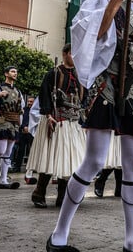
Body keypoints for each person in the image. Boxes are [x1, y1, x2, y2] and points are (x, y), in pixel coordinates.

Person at [46, 0, 133, 252]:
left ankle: (132, 241)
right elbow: (92, 35)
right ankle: (58, 235)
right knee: (95, 161)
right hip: (107, 86)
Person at [27, 44, 87, 208]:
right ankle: (39, 192)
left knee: (68, 161)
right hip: (56, 120)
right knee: (50, 157)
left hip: (73, 123)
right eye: (73, 54)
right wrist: (48, 116)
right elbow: (44, 95)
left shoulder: (80, 76)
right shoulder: (54, 73)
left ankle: (62, 196)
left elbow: (84, 99)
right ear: (65, 54)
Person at [12, 96, 35, 173]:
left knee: (32, 150)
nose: (29, 103)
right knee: (20, 150)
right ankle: (17, 167)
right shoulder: (24, 110)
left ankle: (32, 167)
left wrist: (29, 127)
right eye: (28, 101)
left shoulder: (36, 111)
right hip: (23, 132)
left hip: (32, 133)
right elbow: (20, 119)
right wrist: (23, 127)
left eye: (31, 101)